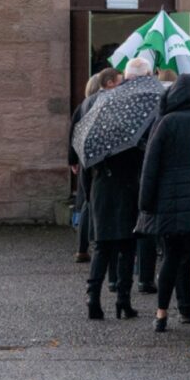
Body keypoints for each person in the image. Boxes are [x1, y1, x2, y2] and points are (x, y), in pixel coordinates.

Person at [139, 73, 190, 335]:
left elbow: (151, 166)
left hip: (170, 203)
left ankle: (161, 315)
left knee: (171, 259)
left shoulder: (167, 122)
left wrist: (146, 204)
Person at [82, 57, 162, 321]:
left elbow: (85, 166)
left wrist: (89, 191)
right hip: (128, 188)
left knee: (102, 248)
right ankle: (123, 302)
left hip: (102, 188)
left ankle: (93, 298)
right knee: (127, 248)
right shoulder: (136, 123)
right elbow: (144, 158)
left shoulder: (98, 116)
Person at [71, 68, 120, 263]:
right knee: (95, 202)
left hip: (87, 157)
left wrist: (73, 158)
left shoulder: (86, 103)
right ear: (109, 83)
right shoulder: (108, 101)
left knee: (87, 202)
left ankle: (84, 247)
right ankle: (102, 243)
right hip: (102, 157)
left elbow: (75, 131)